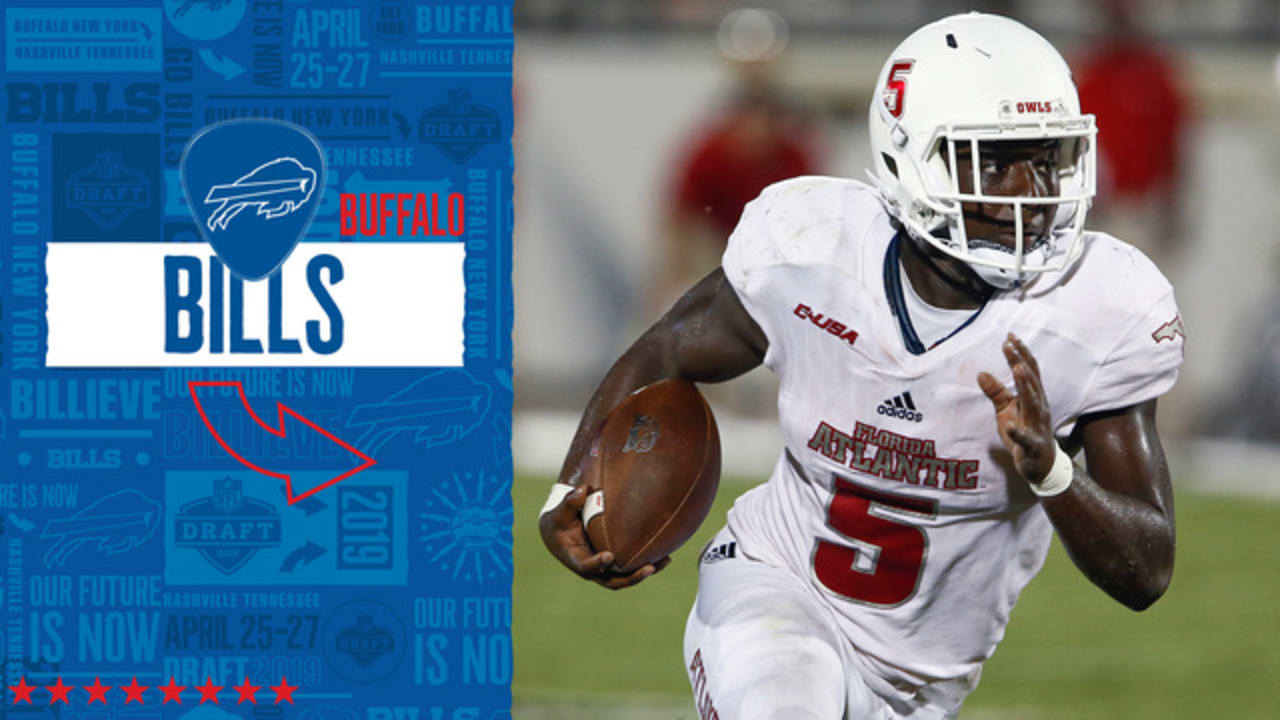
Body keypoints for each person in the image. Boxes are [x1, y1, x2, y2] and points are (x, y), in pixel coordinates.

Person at [540, 12, 1183, 720]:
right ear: (912, 159)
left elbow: (1147, 571)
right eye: (992, 161)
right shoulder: (817, 252)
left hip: (917, 687)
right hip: (774, 586)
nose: (1028, 190)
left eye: (1046, 157)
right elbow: (666, 349)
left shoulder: (1096, 307)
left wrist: (1051, 472)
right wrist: (574, 489)